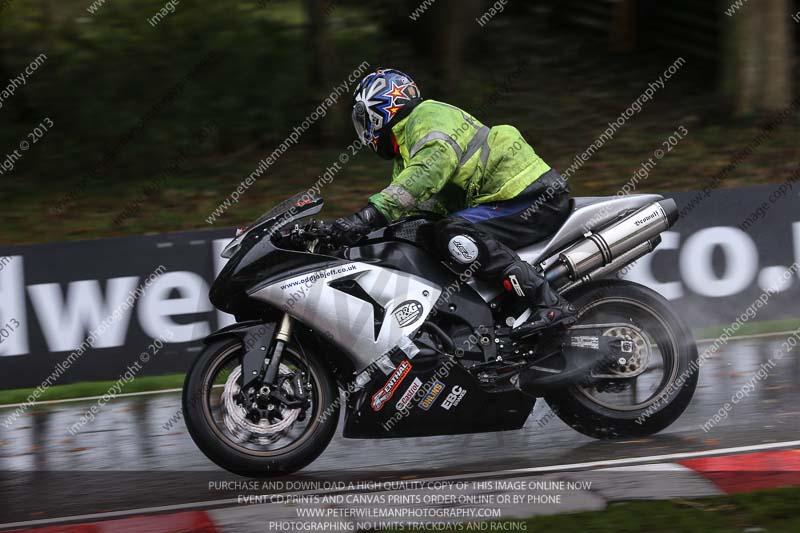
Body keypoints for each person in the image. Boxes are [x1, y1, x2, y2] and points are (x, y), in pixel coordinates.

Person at [329, 68, 575, 335]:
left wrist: (367, 216)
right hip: (502, 202)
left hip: (528, 195)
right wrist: (349, 239)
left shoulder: (426, 116)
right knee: (427, 237)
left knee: (453, 234)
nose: (363, 128)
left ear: (380, 106)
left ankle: (549, 303)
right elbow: (410, 211)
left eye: (364, 118)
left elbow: (428, 171)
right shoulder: (405, 154)